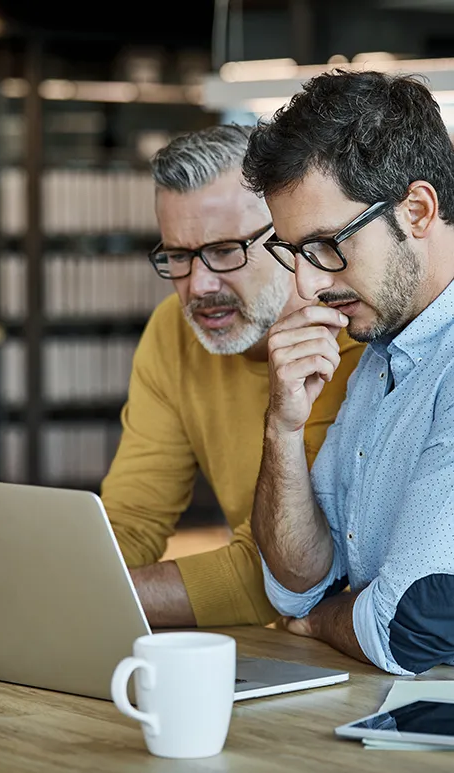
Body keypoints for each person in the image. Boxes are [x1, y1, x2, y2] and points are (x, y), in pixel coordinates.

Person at [100, 124, 364, 628]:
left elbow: (283, 573)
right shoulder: (172, 333)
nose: (199, 285)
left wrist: (91, 597)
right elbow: (130, 523)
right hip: (287, 649)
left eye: (225, 251)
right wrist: (50, 581)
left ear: (286, 236)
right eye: (178, 256)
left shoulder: (351, 338)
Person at [241, 68, 454, 674]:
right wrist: (282, 431)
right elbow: (297, 583)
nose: (308, 285)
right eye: (295, 253)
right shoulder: (383, 346)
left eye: (330, 244)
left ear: (417, 209)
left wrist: (320, 624)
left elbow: (412, 627)